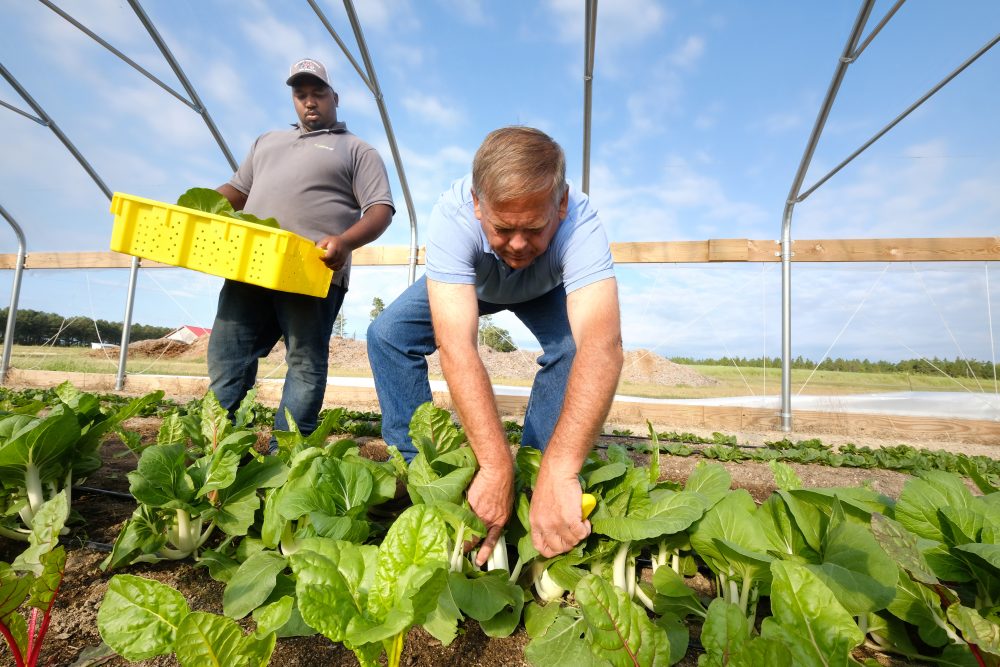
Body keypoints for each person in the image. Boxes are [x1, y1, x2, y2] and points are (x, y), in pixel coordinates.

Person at [367, 126, 622, 564]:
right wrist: (492, 463)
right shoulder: (452, 216)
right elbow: (458, 348)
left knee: (574, 349)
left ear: (560, 205)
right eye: (503, 229)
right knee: (387, 335)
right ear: (477, 204)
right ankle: (419, 470)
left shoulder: (580, 221)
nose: (519, 245)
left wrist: (561, 470)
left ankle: (539, 476)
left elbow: (603, 346)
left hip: (545, 288)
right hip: (475, 283)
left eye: (535, 228)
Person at [209, 58, 394, 443]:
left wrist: (345, 242)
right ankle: (220, 456)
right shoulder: (267, 142)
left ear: (334, 97)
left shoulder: (357, 151)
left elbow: (380, 209)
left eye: (318, 93)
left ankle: (287, 460)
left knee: (305, 363)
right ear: (294, 100)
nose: (310, 101)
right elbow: (237, 192)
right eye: (301, 94)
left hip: (312, 270)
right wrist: (197, 206)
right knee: (229, 358)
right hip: (252, 265)